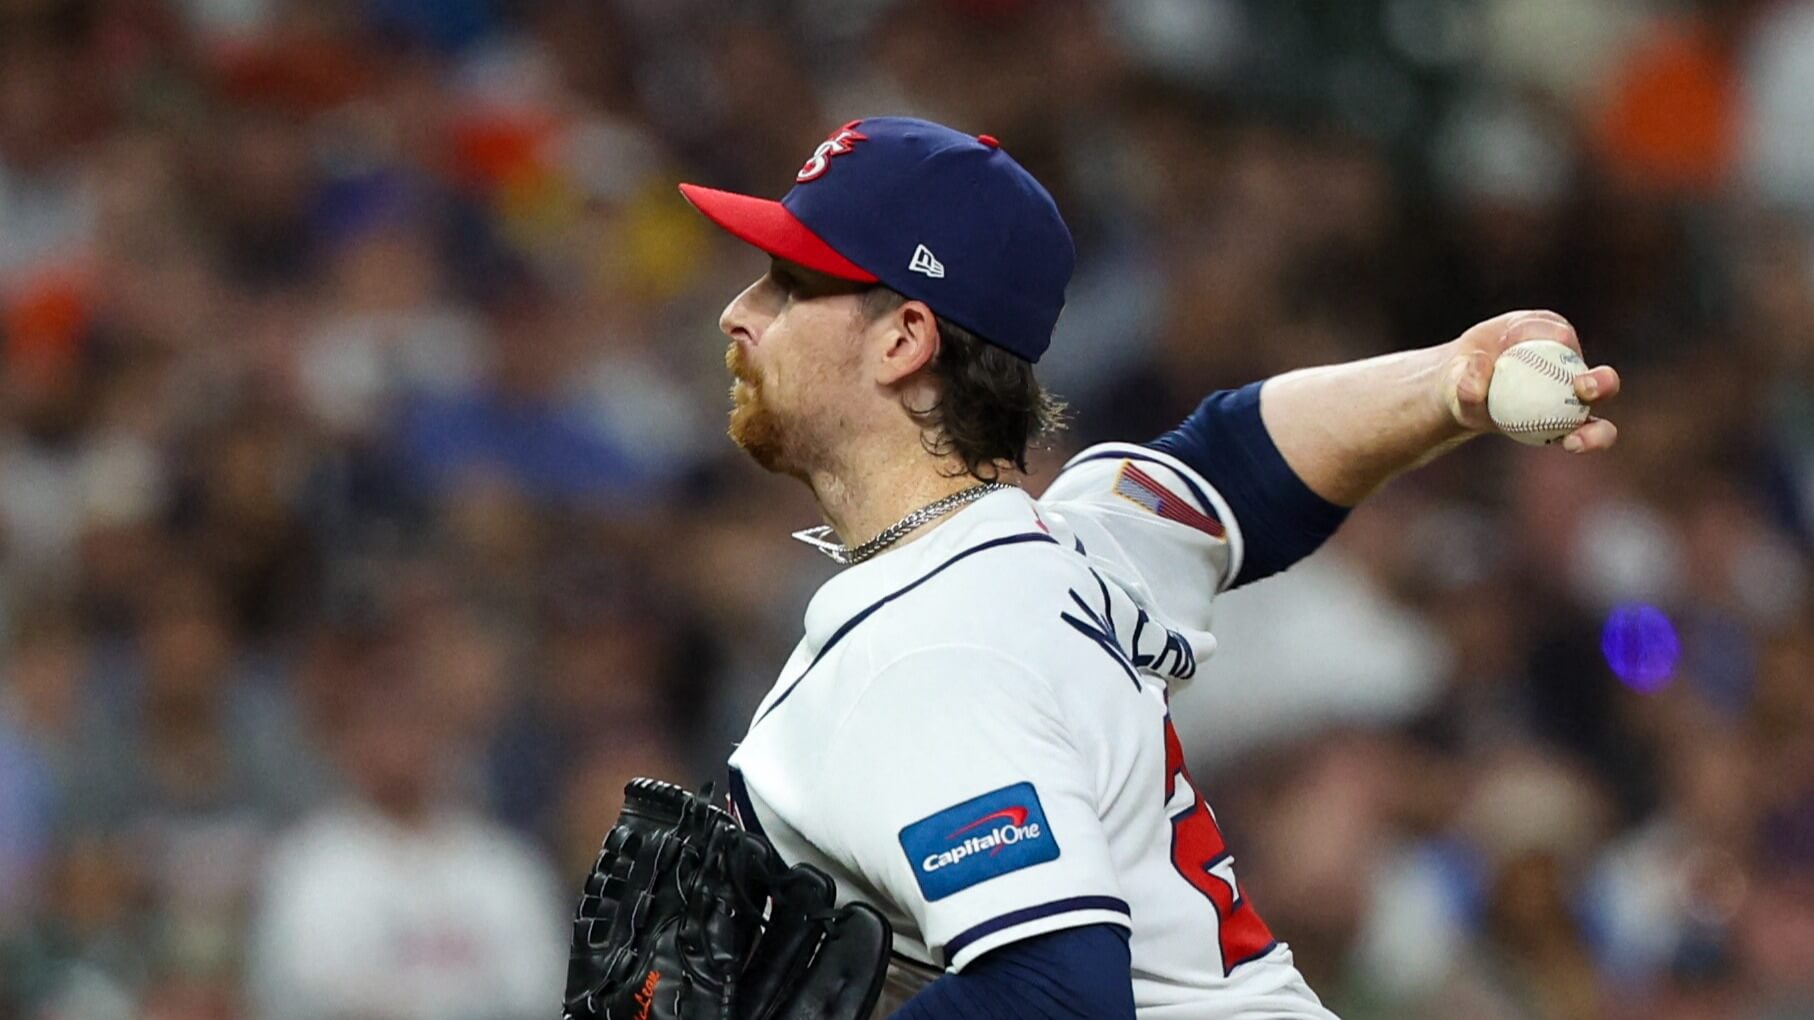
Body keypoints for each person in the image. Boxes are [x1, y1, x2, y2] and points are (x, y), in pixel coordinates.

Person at [676, 116, 1620, 1019]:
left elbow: (1054, 997)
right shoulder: (1068, 548)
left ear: (904, 339)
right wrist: (1448, 383)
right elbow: (1236, 464)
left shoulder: (932, 647)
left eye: (789, 283)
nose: (739, 312)